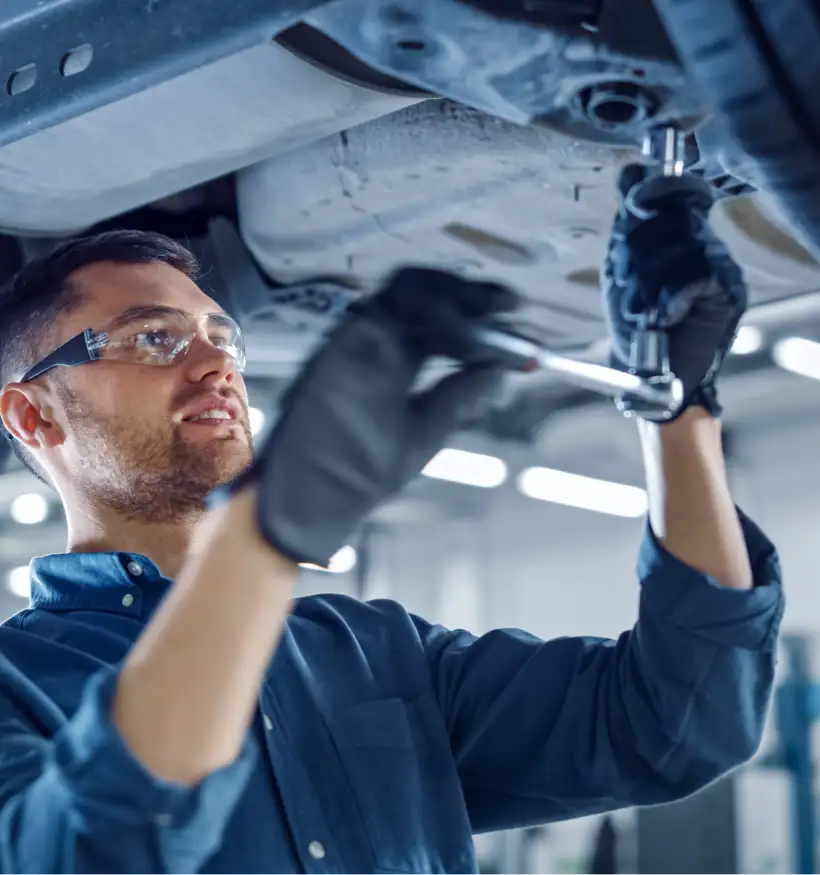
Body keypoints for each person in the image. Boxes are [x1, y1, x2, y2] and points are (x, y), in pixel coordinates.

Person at [0, 164, 782, 875]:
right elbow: (82, 852)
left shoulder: (377, 652)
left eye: (221, 338)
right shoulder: (17, 684)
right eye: (153, 338)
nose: (216, 367)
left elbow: (677, 723)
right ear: (32, 415)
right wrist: (262, 536)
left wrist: (679, 407)